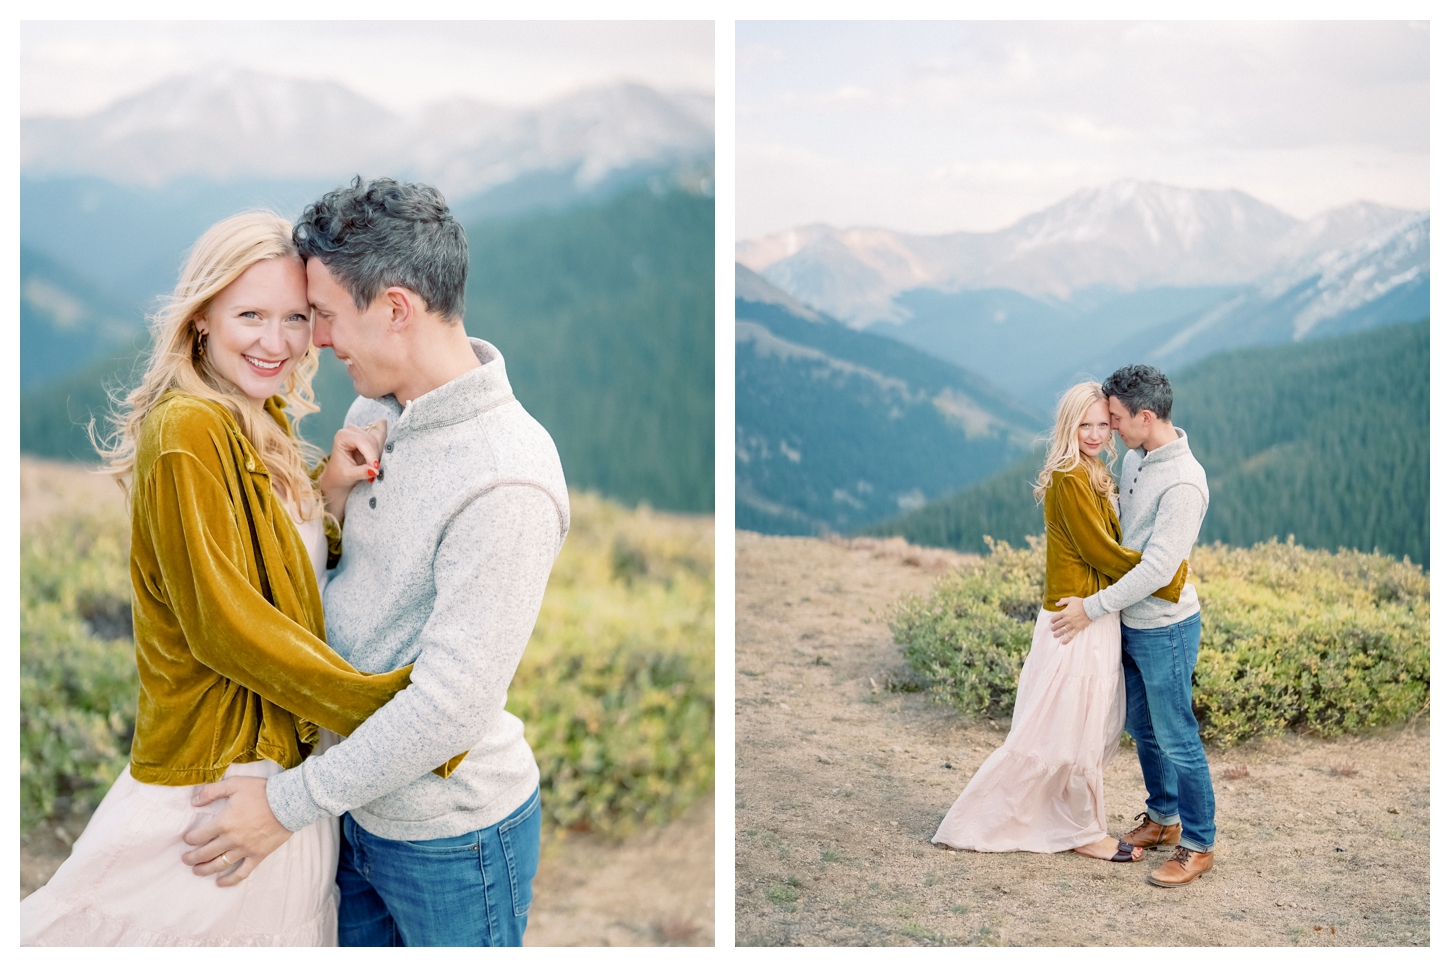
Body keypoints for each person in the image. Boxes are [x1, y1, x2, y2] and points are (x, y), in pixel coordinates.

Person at [19, 212, 442, 946]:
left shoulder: (256, 415)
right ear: (202, 317)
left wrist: (328, 491)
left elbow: (277, 573)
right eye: (250, 315)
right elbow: (226, 623)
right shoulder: (189, 428)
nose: (275, 342)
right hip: (213, 786)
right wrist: (397, 710)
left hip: (276, 775)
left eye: (296, 318)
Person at [179, 178, 570, 947]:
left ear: (395, 307)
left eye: (323, 314)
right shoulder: (372, 413)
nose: (313, 340)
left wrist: (287, 805)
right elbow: (345, 590)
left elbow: (449, 708)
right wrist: (327, 498)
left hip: (450, 841)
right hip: (350, 810)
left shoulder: (508, 476)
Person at [932, 381, 1188, 862]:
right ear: (1067, 428)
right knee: (1063, 730)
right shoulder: (1072, 476)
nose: (1093, 434)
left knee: (1082, 730)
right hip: (1076, 620)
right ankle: (1079, 831)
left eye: (1101, 424)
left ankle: (1073, 824)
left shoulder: (1095, 470)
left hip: (1093, 615)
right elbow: (1100, 552)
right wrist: (1168, 580)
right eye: (1083, 425)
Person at [1050, 364, 1215, 888]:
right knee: (1142, 729)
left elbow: (1156, 570)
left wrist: (1092, 607)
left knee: (1177, 736)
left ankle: (1198, 843)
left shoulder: (1185, 483)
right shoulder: (1138, 460)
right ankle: (1164, 819)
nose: (1111, 429)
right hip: (1130, 622)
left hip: (1166, 626)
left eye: (1116, 418)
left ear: (1145, 416)